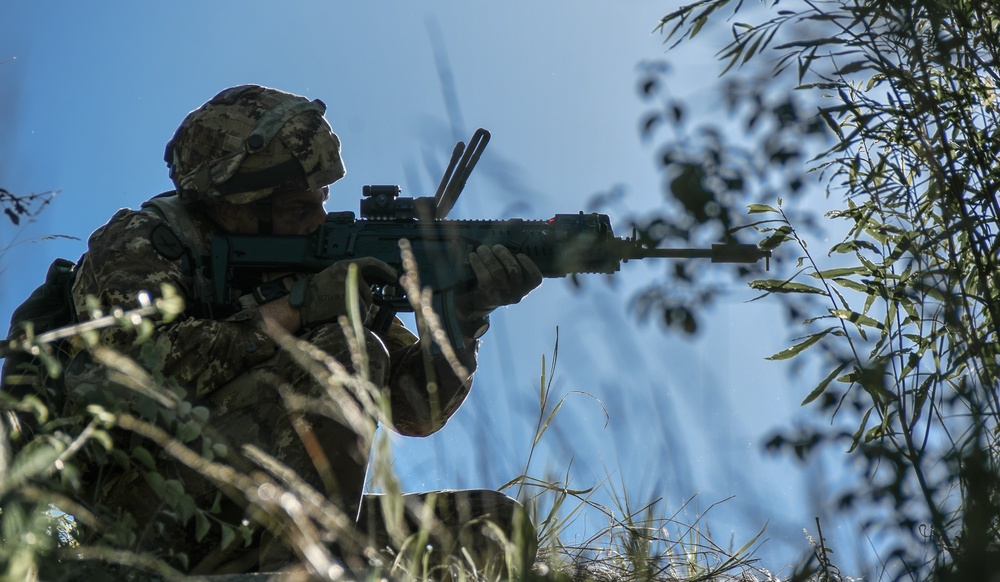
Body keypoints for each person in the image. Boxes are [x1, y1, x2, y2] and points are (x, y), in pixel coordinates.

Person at [61, 84, 542, 576]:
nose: (318, 220)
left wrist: (460, 321)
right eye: (297, 208)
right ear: (233, 205)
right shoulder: (144, 241)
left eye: (322, 200)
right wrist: (297, 309)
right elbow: (134, 375)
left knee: (495, 526)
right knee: (348, 352)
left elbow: (412, 410)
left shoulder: (315, 256)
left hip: (272, 517)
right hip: (149, 518)